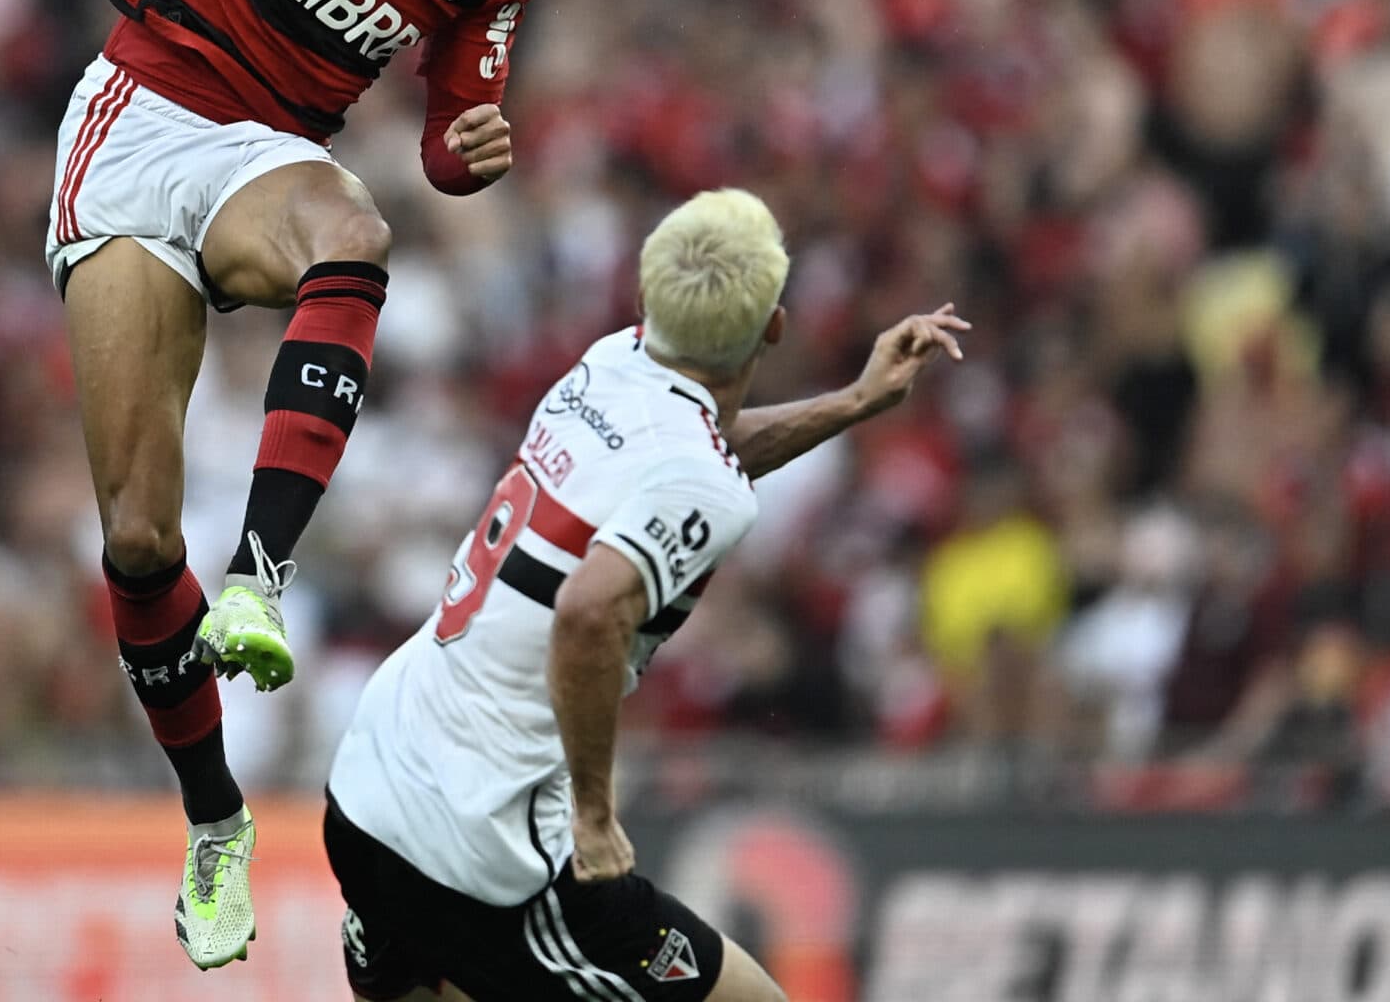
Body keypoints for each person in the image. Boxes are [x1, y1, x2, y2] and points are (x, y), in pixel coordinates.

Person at [0, 0, 673, 965]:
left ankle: (260, 575)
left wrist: (467, 154)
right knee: (141, 540)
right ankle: (214, 822)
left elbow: (443, 131)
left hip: (266, 157)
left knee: (355, 231)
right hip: (138, 119)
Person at [324, 190, 967, 1002]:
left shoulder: (611, 361)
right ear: (773, 327)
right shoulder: (702, 481)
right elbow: (592, 611)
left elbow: (697, 452)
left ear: (646, 300)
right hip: (486, 844)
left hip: (374, 778)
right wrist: (593, 816)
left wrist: (850, 403)